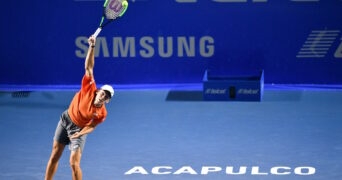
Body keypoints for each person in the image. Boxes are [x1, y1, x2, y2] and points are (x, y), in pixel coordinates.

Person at [45, 35, 114, 180]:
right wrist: (92, 46)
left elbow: (93, 126)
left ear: (107, 100)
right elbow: (89, 67)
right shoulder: (89, 87)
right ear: (99, 91)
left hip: (79, 130)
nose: (104, 96)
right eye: (103, 93)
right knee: (54, 155)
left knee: (73, 163)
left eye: (107, 96)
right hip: (65, 120)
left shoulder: (102, 113)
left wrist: (80, 133)